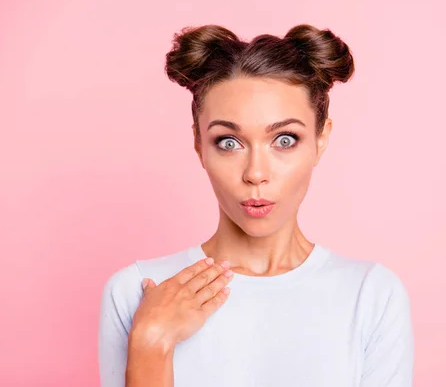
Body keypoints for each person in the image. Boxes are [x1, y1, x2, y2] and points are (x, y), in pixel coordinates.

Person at [98, 24, 414, 387]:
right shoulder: (136, 291)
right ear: (199, 144)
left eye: (284, 139)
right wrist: (151, 344)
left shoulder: (371, 296)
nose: (255, 173)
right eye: (229, 142)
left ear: (321, 139)